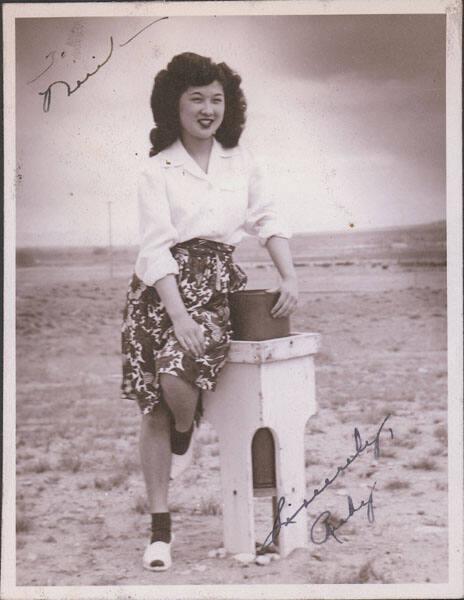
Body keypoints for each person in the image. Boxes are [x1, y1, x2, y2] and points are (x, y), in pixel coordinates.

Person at [121, 52, 298, 571]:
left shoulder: (242, 161)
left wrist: (289, 274)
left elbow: (267, 217)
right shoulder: (157, 170)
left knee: (179, 381)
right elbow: (154, 248)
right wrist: (177, 315)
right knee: (157, 401)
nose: (207, 108)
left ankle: (184, 427)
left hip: (216, 287)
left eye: (216, 98)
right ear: (173, 105)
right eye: (196, 97)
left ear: (229, 105)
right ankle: (160, 531)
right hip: (160, 291)